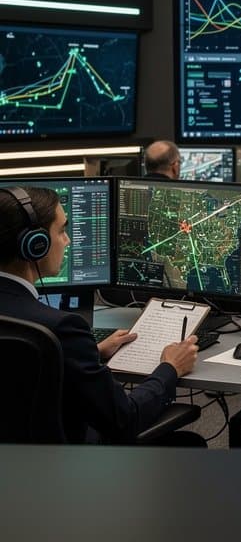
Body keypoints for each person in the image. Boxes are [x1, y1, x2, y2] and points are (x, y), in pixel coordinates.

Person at [0, 186, 200, 444]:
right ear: (35, 245)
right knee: (188, 443)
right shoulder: (60, 328)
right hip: (62, 470)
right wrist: (170, 368)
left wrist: (86, 351)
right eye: (61, 230)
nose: (68, 240)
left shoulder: (53, 337)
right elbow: (125, 419)